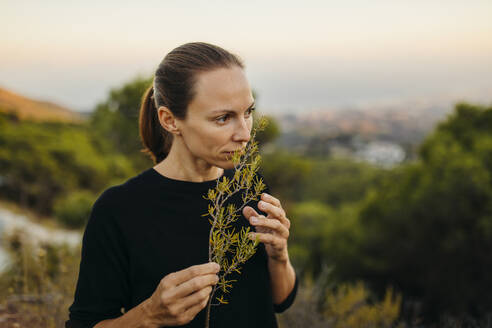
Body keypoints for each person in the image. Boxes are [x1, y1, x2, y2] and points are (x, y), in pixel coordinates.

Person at [66, 42, 298, 328]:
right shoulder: (119, 209)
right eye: (223, 118)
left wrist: (279, 256)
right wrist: (148, 314)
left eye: (247, 113)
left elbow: (280, 300)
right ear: (170, 120)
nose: (244, 134)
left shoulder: (251, 188)